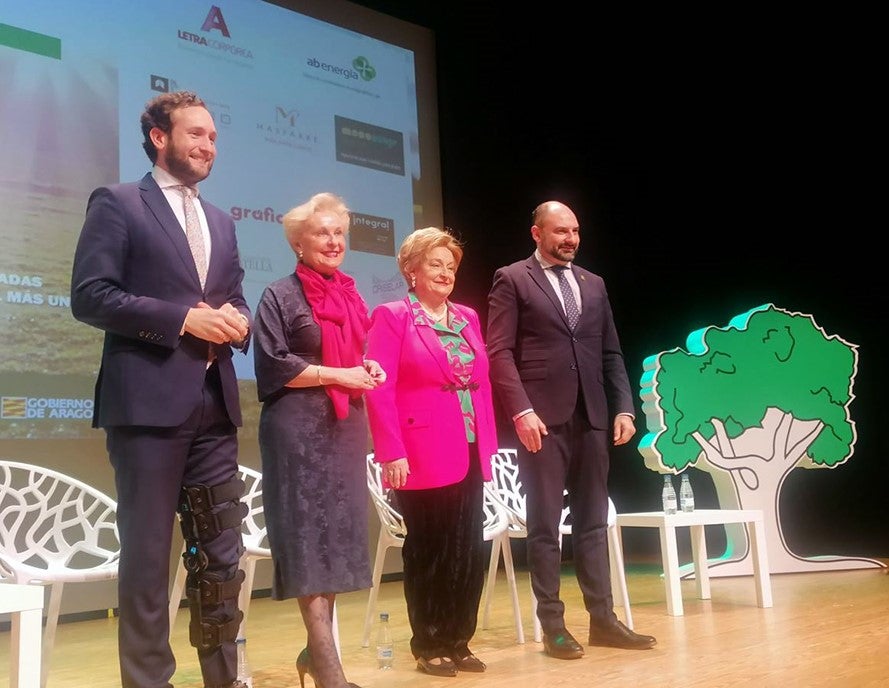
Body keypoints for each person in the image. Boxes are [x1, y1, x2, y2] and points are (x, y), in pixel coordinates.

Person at [70, 91, 252, 688]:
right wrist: (182, 318)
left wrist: (240, 320)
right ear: (159, 137)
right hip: (146, 407)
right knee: (149, 558)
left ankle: (224, 679)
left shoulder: (221, 220)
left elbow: (234, 293)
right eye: (196, 134)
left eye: (214, 138)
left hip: (214, 405)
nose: (207, 146)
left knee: (222, 554)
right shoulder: (120, 202)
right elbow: (90, 295)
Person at [485, 200, 657, 660]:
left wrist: (624, 409)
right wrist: (520, 411)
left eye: (576, 231)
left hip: (594, 418)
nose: (570, 240)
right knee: (544, 527)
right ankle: (553, 627)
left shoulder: (593, 284)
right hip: (541, 420)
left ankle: (603, 620)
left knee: (592, 523)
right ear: (536, 233)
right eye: (560, 231)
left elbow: (611, 354)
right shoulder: (514, 277)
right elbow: (498, 352)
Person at [253, 192, 384, 688]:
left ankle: (314, 650)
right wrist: (340, 374)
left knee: (336, 541)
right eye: (322, 233)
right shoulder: (280, 296)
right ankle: (330, 669)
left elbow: (358, 354)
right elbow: (272, 365)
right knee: (307, 541)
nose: (333, 242)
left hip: (344, 427)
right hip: (296, 431)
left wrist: (365, 367)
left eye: (339, 234)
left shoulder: (352, 295)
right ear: (297, 242)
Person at [365, 227, 498, 678]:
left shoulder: (467, 317)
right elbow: (379, 388)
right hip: (419, 449)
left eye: (451, 266)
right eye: (435, 264)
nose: (445, 273)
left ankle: (459, 639)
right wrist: (391, 452)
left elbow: (480, 382)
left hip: (471, 444)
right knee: (431, 548)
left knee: (468, 548)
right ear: (411, 270)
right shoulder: (392, 316)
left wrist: (489, 443)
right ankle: (428, 642)